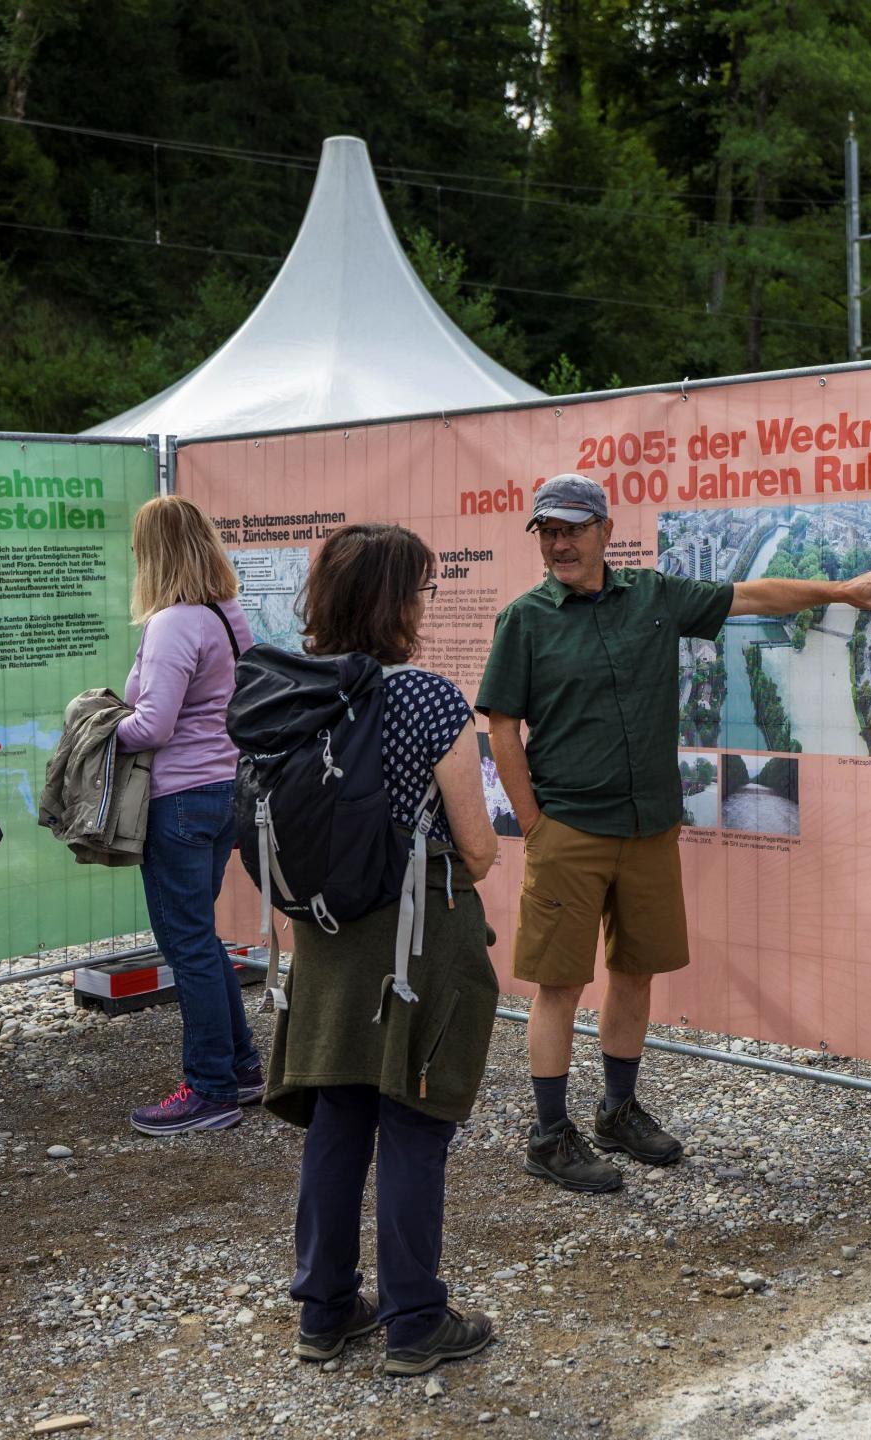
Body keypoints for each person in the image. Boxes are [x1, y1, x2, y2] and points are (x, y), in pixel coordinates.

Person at [478, 474, 871, 1193]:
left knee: (636, 970)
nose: (559, 543)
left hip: (648, 827)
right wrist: (532, 823)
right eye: (547, 532)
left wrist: (838, 594)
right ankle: (549, 1134)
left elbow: (755, 597)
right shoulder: (525, 619)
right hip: (569, 830)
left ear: (605, 531)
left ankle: (618, 1112)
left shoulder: (652, 597)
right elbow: (500, 727)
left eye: (572, 529)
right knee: (558, 984)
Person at [261, 523, 501, 1376]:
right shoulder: (429, 700)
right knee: (413, 1116)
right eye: (423, 591)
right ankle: (414, 1322)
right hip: (415, 933)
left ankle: (324, 1314)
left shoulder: (292, 692)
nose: (426, 607)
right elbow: (477, 848)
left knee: (337, 1115)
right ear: (397, 602)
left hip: (323, 932)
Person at [119, 495, 261, 1136]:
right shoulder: (228, 615)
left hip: (177, 798)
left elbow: (154, 724)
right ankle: (242, 1068)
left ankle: (209, 1089)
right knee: (201, 940)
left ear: (154, 555)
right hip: (224, 791)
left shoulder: (173, 622)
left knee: (188, 946)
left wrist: (97, 727)